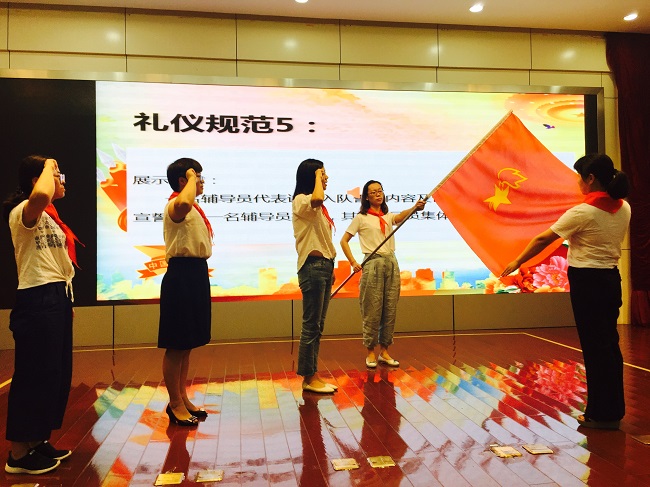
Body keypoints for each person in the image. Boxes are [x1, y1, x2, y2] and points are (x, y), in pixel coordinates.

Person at [501, 154, 631, 430]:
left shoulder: (583, 212)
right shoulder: (624, 208)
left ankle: (600, 414)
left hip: (587, 282)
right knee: (609, 345)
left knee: (594, 348)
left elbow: (543, 239)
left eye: (580, 177)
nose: (578, 183)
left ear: (591, 178)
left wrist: (518, 261)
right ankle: (612, 410)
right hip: (611, 279)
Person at [2, 155, 79, 475]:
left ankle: (36, 439)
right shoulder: (24, 210)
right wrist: (49, 165)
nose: (62, 181)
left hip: (57, 296)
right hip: (37, 298)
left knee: (54, 374)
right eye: (58, 176)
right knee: (33, 375)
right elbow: (42, 193)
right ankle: (18, 454)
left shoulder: (49, 215)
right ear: (37, 180)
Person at [340, 180, 426, 368]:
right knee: (372, 309)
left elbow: (400, 217)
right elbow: (344, 240)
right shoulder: (361, 218)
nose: (378, 194)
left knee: (389, 308)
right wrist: (353, 262)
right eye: (373, 192)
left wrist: (414, 208)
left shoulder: (387, 216)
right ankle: (370, 352)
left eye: (380, 191)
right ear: (366, 197)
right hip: (372, 263)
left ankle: (384, 351)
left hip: (391, 262)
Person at [159, 158, 213, 426]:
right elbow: (183, 203)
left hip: (196, 273)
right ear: (184, 180)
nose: (202, 182)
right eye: (198, 177)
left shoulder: (194, 207)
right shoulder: (176, 205)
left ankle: (182, 396)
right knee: (176, 344)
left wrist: (192, 178)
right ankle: (174, 403)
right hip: (181, 275)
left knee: (187, 344)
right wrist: (192, 177)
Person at [292, 159, 338, 394]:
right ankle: (310, 377)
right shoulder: (302, 200)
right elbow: (317, 198)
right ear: (312, 176)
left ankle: (312, 375)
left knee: (317, 326)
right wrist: (318, 178)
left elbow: (324, 241)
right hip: (312, 267)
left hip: (324, 266)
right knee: (311, 325)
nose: (326, 177)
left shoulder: (316, 206)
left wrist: (332, 267)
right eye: (322, 173)